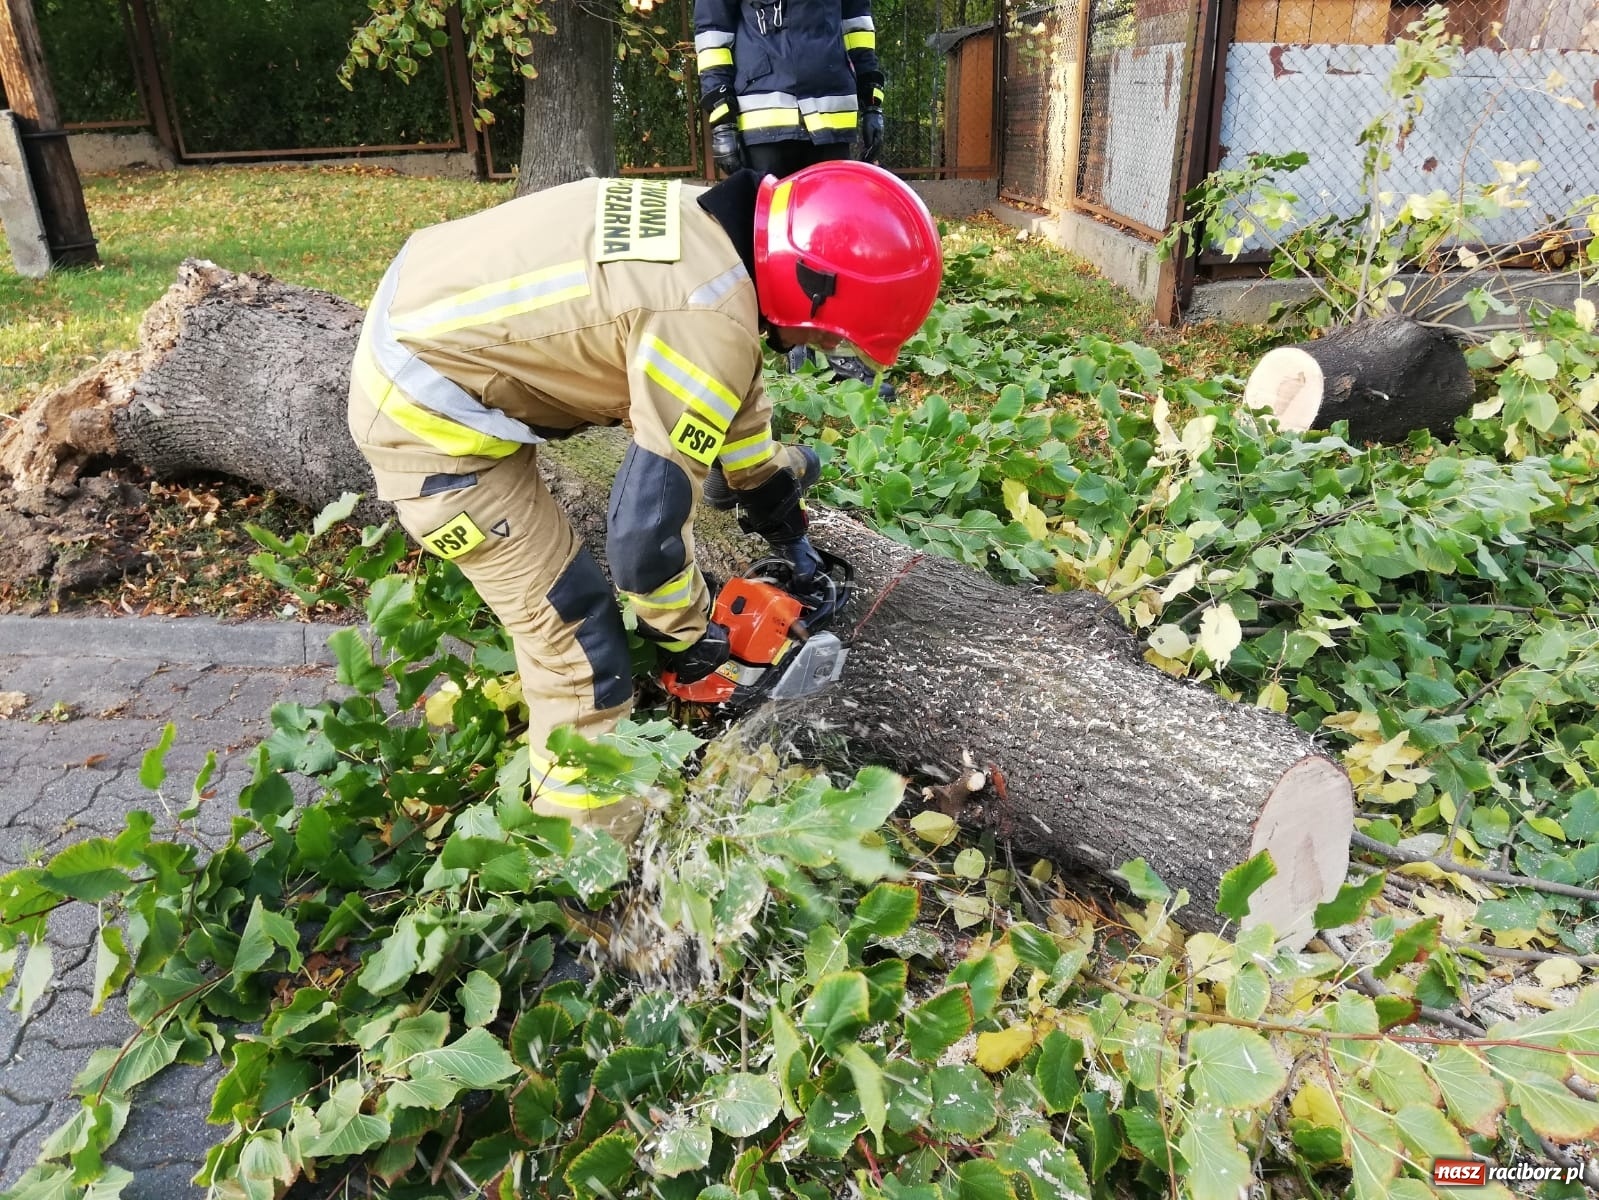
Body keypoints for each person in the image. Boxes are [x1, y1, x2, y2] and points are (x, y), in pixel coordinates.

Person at [346, 161, 941, 842]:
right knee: (578, 644)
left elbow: (733, 409)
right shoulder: (708, 314)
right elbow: (642, 539)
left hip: (431, 311)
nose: (822, 349)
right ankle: (584, 853)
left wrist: (781, 516)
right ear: (812, 291)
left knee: (592, 614)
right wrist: (692, 640)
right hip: (422, 421)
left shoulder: (718, 243)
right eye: (829, 337)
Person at [694, 0, 895, 394]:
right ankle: (767, 349)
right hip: (764, 113)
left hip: (832, 113)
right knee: (766, 243)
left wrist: (872, 102)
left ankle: (831, 348)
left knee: (833, 239)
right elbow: (713, 35)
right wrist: (721, 116)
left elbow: (857, 26)